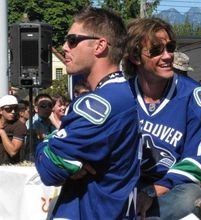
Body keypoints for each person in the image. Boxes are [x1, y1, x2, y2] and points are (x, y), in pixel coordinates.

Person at [35, 7, 140, 220]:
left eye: (72, 40)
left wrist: (46, 143)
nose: (65, 47)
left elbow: (49, 170)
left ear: (100, 45)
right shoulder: (126, 93)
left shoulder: (101, 103)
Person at [123, 17, 201, 220]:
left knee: (192, 200)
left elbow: (199, 164)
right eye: (156, 50)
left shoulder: (197, 98)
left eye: (170, 47)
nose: (168, 56)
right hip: (129, 186)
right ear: (135, 57)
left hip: (173, 190)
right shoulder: (120, 96)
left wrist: (152, 191)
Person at [0, 95, 27, 165]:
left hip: (10, 168)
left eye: (15, 109)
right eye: (8, 109)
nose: (13, 111)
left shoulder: (19, 126)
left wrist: (2, 132)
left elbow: (13, 152)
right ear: (0, 111)